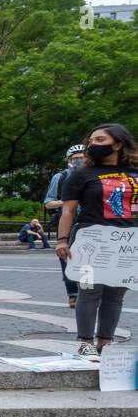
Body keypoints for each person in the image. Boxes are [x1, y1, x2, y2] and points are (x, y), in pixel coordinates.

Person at [56, 123, 138, 361]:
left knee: (115, 294)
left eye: (100, 140)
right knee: (89, 291)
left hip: (127, 243)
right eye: (92, 140)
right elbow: (68, 211)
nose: (93, 145)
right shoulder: (81, 174)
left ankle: (105, 341)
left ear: (118, 143)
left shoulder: (135, 173)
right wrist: (62, 240)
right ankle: (85, 342)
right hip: (92, 241)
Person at [44, 144, 86, 308]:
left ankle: (88, 292)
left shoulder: (95, 175)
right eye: (75, 158)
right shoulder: (61, 177)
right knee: (67, 258)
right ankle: (73, 294)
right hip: (68, 223)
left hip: (91, 222)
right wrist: (67, 201)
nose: (78, 161)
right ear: (69, 160)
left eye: (82, 158)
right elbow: (48, 203)